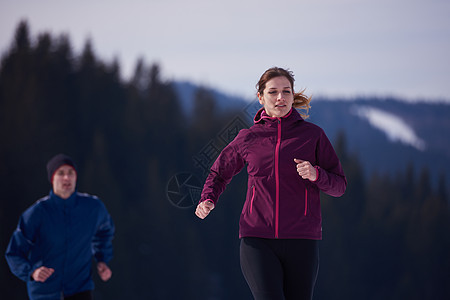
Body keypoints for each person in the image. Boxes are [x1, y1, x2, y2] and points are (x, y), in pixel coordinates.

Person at [195, 67, 347, 300]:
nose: (280, 97)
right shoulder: (248, 137)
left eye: (286, 91)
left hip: (302, 240)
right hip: (257, 239)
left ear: (293, 96)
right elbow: (219, 172)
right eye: (273, 91)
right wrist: (208, 198)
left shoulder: (312, 136)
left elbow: (339, 186)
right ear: (260, 97)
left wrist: (317, 175)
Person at [5, 154, 115, 300]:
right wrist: (31, 272)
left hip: (80, 289)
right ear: (52, 178)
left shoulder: (93, 208)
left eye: (71, 173)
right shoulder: (37, 213)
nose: (66, 178)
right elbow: (14, 253)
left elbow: (105, 231)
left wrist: (102, 258)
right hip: (45, 292)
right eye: (61, 173)